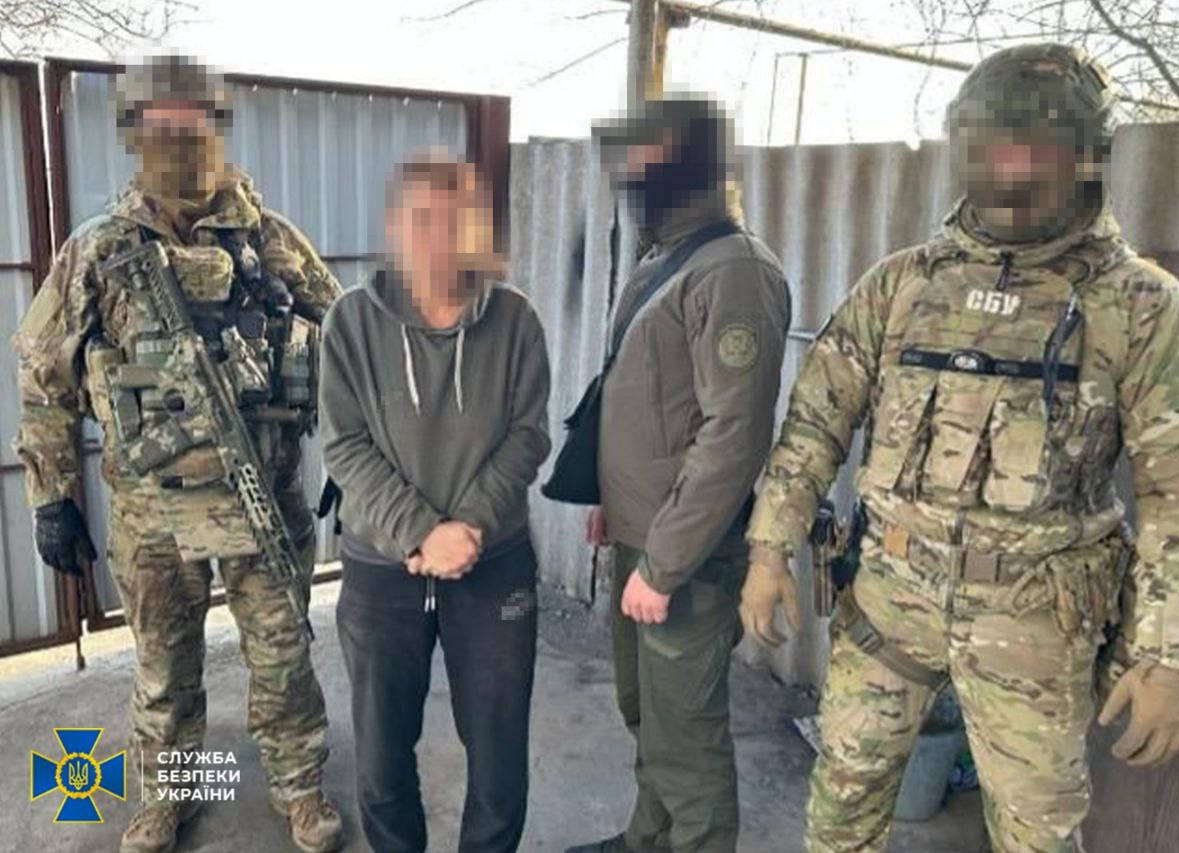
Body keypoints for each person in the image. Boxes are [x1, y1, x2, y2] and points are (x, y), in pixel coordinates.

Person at [741, 43, 1179, 852]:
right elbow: (814, 422)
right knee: (840, 808)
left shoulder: (1140, 306)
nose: (1010, 169)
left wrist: (1171, 657)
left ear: (1084, 158)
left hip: (1035, 624)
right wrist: (769, 549)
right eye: (992, 146)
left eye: (1034, 149)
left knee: (1037, 834)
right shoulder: (903, 283)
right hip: (888, 600)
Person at [12, 54, 343, 853]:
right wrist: (52, 497)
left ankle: (300, 787)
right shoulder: (100, 248)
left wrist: (356, 461)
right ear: (134, 133)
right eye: (158, 122)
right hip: (152, 511)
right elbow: (44, 376)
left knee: (284, 653)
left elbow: (347, 348)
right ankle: (169, 794)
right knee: (164, 667)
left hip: (265, 496)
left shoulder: (273, 240)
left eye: (191, 118)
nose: (177, 135)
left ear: (215, 125)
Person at [566, 97, 792, 853]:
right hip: (642, 534)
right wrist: (611, 500)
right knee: (647, 712)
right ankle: (648, 838)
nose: (632, 170)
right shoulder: (665, 256)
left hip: (685, 555)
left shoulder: (735, 270)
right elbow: (646, 401)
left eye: (649, 153)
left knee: (687, 735)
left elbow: (734, 434)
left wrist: (663, 565)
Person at [320, 151, 550, 853]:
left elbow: (529, 434)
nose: (439, 237)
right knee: (382, 756)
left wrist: (469, 525)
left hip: (493, 563)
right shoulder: (350, 323)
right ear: (395, 225)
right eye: (423, 219)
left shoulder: (515, 320)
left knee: (499, 756)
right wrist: (422, 533)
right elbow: (344, 446)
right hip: (382, 570)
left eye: (457, 220)